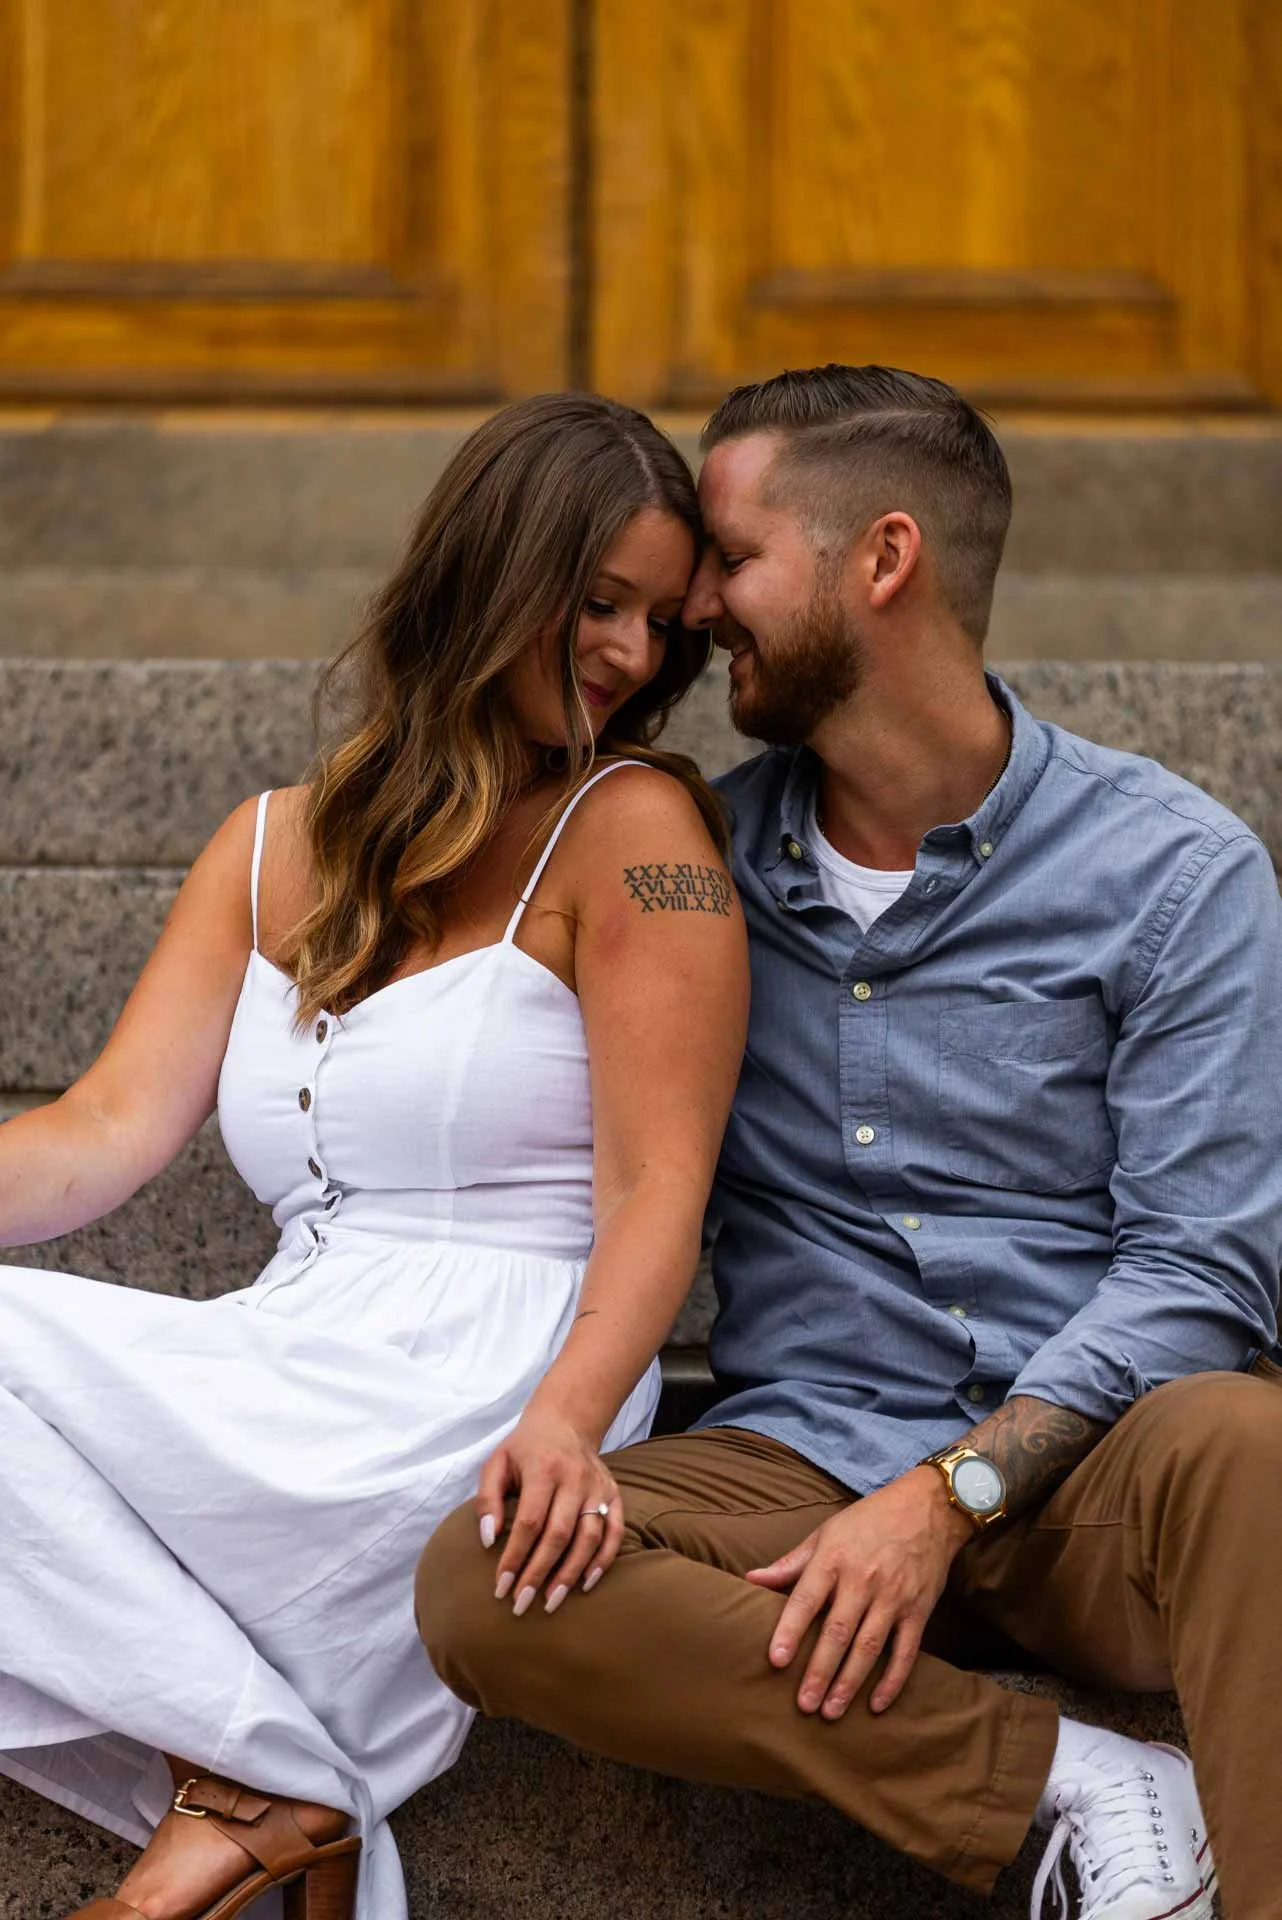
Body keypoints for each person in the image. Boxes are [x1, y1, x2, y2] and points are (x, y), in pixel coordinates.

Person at [419, 365, 1282, 1920]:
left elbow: (1200, 1271)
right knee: (489, 1576)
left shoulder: (1171, 872)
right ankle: (1065, 1785)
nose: (694, 622)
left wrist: (942, 1500)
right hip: (794, 1459)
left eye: (730, 567)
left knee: (1251, 1442)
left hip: (1087, 1468)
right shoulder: (690, 860)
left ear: (882, 560)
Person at [0, 392, 748, 1920]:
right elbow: (102, 1134)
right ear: (491, 568)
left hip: (484, 1378)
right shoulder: (272, 842)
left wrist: (568, 1420)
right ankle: (266, 1783)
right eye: (597, 602)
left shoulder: (637, 830)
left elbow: (658, 1187)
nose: (627, 654)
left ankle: (254, 1788)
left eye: (660, 625)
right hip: (290, 1349)